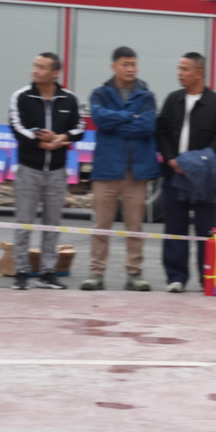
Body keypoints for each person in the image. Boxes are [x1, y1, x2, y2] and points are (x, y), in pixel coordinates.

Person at [80, 47, 160, 292]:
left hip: (136, 172)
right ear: (113, 66)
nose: (131, 69)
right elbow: (99, 119)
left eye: (134, 64)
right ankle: (96, 273)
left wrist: (118, 122)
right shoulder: (100, 93)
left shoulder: (146, 95)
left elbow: (147, 126)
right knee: (101, 224)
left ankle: (134, 273)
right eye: (126, 64)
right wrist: (130, 117)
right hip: (106, 169)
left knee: (134, 226)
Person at [9, 52, 85, 290]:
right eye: (34, 65)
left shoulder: (69, 99)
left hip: (57, 171)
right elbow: (16, 127)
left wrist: (61, 138)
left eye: (42, 67)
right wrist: (43, 143)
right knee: (24, 222)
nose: (35, 70)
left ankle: (47, 272)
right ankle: (21, 270)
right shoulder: (21, 96)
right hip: (28, 169)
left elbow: (79, 128)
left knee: (52, 224)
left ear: (55, 73)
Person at [157, 52, 216, 293]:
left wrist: (200, 161)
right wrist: (170, 159)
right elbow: (161, 133)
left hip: (203, 179)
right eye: (179, 68)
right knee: (174, 227)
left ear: (199, 73)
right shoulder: (172, 100)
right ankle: (176, 277)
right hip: (174, 175)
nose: (180, 73)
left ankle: (208, 277)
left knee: (207, 230)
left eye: (185, 69)